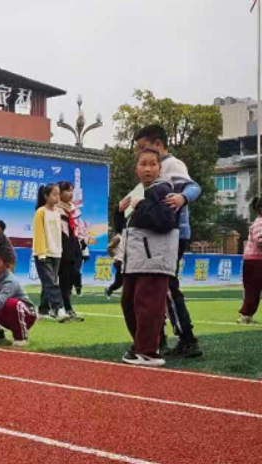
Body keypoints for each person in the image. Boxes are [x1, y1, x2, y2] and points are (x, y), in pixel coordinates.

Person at [129, 124, 202, 358]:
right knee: (152, 289)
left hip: (172, 235)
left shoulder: (172, 164)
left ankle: (186, 338)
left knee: (167, 287)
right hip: (153, 238)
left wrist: (182, 197)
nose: (141, 155)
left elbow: (194, 187)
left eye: (143, 147)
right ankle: (156, 338)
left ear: (158, 145)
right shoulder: (153, 172)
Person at [118, 148, 179, 367]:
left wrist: (141, 205)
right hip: (135, 261)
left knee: (148, 306)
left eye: (153, 164)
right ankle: (142, 345)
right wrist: (119, 212)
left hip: (153, 260)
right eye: (143, 164)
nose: (148, 169)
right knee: (129, 304)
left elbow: (165, 221)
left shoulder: (163, 190)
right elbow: (128, 228)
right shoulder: (139, 193)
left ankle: (148, 351)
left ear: (160, 168)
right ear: (136, 168)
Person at [32, 183, 68, 322]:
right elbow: (39, 233)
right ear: (46, 196)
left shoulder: (57, 212)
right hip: (43, 253)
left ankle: (43, 310)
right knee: (51, 283)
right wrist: (41, 253)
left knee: (48, 282)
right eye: (54, 194)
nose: (57, 197)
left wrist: (60, 250)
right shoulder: (41, 212)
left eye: (58, 194)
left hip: (56, 252)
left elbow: (58, 234)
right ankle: (58, 308)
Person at [57, 182, 84, 321]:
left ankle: (57, 307)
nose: (71, 194)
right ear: (59, 193)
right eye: (68, 191)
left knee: (73, 275)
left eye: (72, 191)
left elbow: (78, 228)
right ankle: (66, 308)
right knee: (64, 280)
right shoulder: (55, 209)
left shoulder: (73, 209)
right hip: (62, 247)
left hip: (74, 246)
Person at [239, 197, 262, 325]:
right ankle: (246, 316)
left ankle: (247, 315)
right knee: (253, 289)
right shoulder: (259, 223)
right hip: (255, 261)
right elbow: (260, 240)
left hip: (255, 260)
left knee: (253, 289)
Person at [105, 232, 125, 299]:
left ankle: (110, 289)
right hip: (120, 261)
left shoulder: (127, 238)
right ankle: (110, 289)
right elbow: (109, 248)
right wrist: (115, 257)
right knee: (120, 281)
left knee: (120, 282)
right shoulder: (118, 238)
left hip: (126, 262)